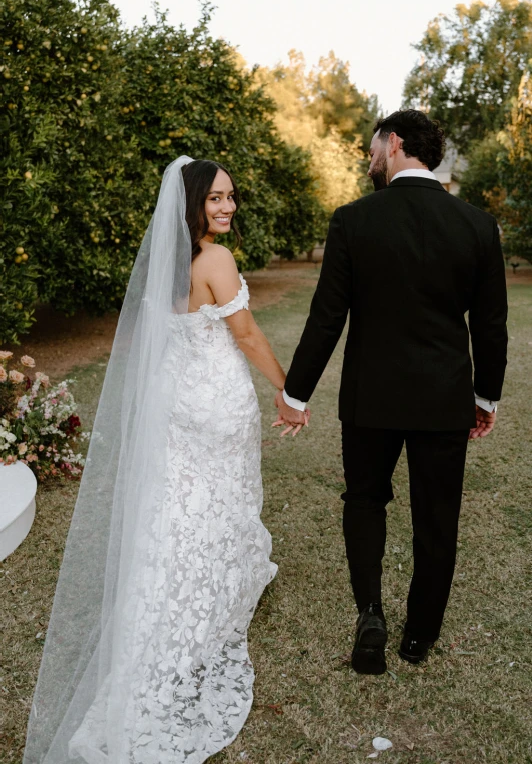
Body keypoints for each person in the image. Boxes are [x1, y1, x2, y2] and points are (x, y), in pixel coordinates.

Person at [24, 157, 302, 763]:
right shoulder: (216, 261)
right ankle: (212, 593)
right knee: (221, 498)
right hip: (216, 406)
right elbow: (247, 335)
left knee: (177, 508)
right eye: (217, 200)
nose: (228, 208)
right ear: (194, 205)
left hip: (176, 403)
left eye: (232, 198)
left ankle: (166, 599)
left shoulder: (166, 266)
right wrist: (288, 391)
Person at [274, 110, 508, 675]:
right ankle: (418, 636)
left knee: (364, 500)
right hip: (444, 398)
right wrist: (486, 398)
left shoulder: (354, 220)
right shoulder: (477, 224)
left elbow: (327, 318)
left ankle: (371, 613)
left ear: (396, 143)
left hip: (370, 397)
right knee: (438, 516)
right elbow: (492, 325)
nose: (370, 155)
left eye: (374, 145)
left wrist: (295, 394)